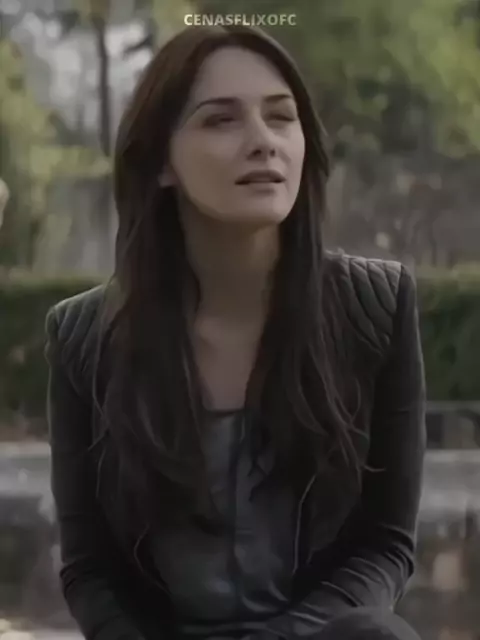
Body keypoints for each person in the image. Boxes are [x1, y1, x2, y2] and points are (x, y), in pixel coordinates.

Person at [44, 24, 426, 640]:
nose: (263, 142)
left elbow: (386, 544)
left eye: (281, 117)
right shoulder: (84, 337)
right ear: (160, 161)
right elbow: (88, 569)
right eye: (221, 120)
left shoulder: (375, 306)